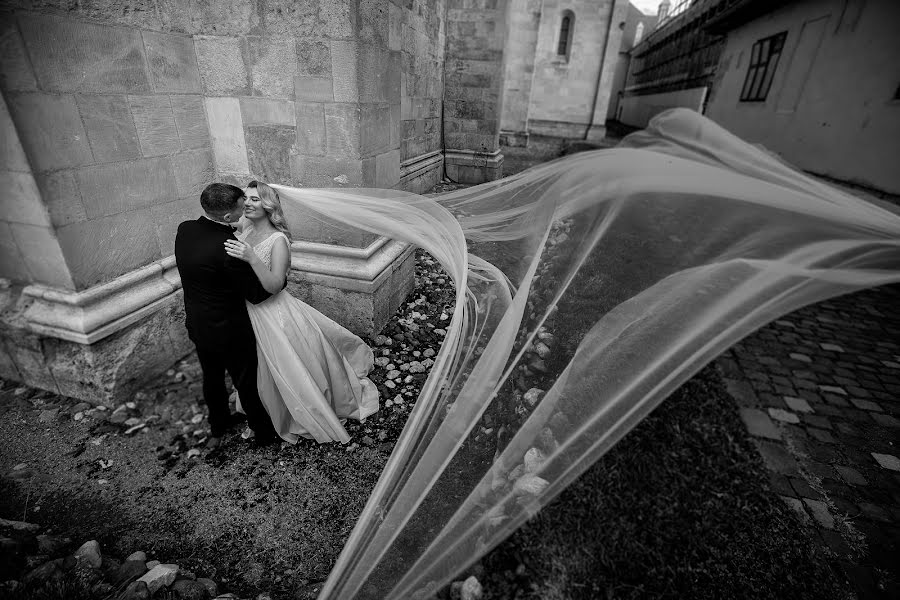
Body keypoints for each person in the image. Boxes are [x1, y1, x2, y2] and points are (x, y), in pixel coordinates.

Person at [223, 181, 379, 444]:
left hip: (275, 313)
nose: (248, 203)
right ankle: (262, 408)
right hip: (249, 311)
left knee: (288, 365)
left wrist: (251, 258)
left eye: (256, 199)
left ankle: (295, 412)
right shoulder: (246, 228)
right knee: (256, 366)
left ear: (269, 206)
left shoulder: (278, 240)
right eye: (246, 198)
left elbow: (274, 285)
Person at [174, 183, 280, 448]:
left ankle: (218, 423)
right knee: (245, 381)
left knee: (211, 376)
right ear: (227, 218)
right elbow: (257, 294)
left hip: (198, 325)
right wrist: (279, 279)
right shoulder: (229, 248)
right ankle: (263, 432)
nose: (244, 209)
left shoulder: (185, 229)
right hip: (229, 331)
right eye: (240, 208)